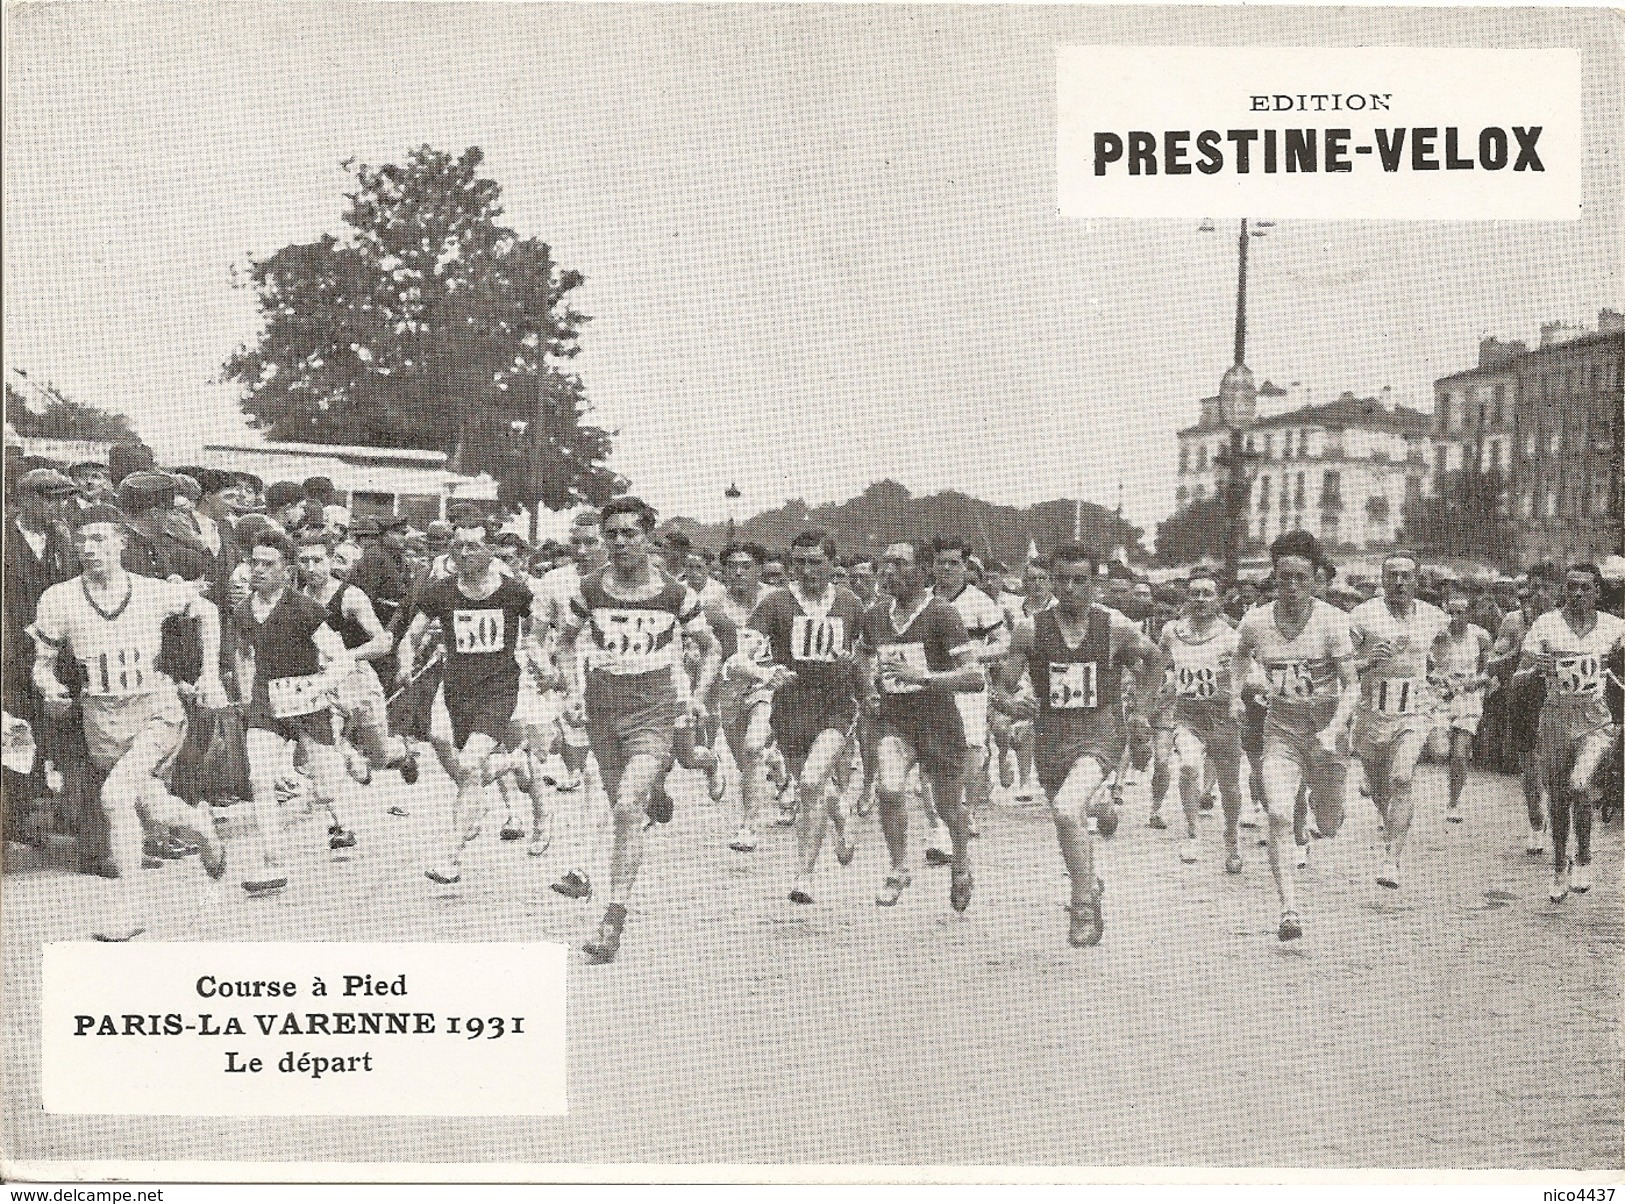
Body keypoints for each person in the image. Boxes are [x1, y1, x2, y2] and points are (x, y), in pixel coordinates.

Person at [30, 504, 229, 939]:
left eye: (99, 538)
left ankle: (130, 911)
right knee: (149, 803)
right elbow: (42, 662)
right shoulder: (58, 598)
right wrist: (49, 688)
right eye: (81, 540)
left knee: (115, 796)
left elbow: (209, 613)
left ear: (122, 542)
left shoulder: (152, 591)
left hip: (154, 707)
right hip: (100, 716)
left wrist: (209, 674)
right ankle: (200, 825)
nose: (88, 548)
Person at [557, 497, 720, 963]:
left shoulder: (674, 594)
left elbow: (710, 649)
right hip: (603, 709)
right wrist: (571, 691)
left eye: (630, 534)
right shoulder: (589, 589)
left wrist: (698, 695)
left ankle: (613, 918)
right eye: (613, 534)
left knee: (628, 807)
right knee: (622, 803)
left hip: (653, 710)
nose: (620, 542)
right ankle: (658, 795)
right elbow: (565, 643)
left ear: (649, 538)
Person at [997, 544, 1164, 947]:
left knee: (1066, 809)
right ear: (1052, 581)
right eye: (1063, 580)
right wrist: (1012, 703)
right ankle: (1092, 857)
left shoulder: (1115, 628)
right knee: (1067, 817)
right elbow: (1001, 686)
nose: (1070, 588)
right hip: (1051, 736)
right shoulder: (1031, 629)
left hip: (1100, 729)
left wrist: (1141, 711)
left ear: (1095, 584)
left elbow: (1155, 660)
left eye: (1080, 581)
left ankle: (1083, 904)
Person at [397, 514, 545, 885]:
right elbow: (410, 635)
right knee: (470, 771)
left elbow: (538, 629)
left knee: (467, 766)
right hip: (458, 692)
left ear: (490, 551)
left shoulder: (513, 591)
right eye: (457, 547)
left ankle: (452, 858)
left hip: (500, 689)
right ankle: (512, 762)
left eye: (473, 546)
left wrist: (541, 661)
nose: (464, 554)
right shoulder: (441, 592)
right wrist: (405, 661)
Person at [1229, 532, 1358, 942]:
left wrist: (1334, 730)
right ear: (1274, 578)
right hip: (1281, 728)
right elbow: (1239, 657)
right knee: (1279, 814)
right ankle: (1289, 909)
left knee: (1330, 823)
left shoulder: (1333, 621)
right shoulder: (1255, 621)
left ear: (1316, 579)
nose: (1293, 587)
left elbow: (1351, 685)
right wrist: (1236, 694)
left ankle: (1322, 806)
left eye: (1302, 578)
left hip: (1326, 731)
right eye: (1285, 578)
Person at [857, 540, 984, 912]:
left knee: (948, 807)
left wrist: (923, 676)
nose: (889, 572)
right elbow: (863, 654)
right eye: (885, 564)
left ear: (922, 570)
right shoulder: (876, 614)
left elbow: (974, 677)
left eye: (899, 564)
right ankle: (898, 869)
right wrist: (868, 688)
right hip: (894, 722)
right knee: (890, 788)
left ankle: (960, 860)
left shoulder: (942, 614)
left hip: (937, 722)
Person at [742, 530, 868, 901]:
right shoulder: (774, 604)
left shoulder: (850, 604)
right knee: (814, 787)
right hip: (791, 707)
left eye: (816, 562)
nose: (808, 571)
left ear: (831, 564)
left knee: (810, 783)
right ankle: (839, 811)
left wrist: (860, 675)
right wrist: (764, 673)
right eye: (800, 563)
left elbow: (866, 655)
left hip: (835, 704)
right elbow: (742, 657)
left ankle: (804, 876)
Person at [233, 530, 358, 895]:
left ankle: (334, 815)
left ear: (287, 571)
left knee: (326, 786)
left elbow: (339, 659)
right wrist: (245, 696)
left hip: (308, 704)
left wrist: (321, 686)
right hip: (266, 702)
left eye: (268, 564)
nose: (258, 570)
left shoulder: (306, 610)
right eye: (253, 563)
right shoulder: (242, 611)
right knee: (260, 780)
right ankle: (272, 860)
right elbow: (243, 654)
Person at [1517, 563, 1624, 902]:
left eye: (1585, 588)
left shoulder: (1614, 628)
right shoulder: (1546, 624)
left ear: (1597, 593)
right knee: (1559, 797)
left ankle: (1584, 858)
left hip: (1595, 720)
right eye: (1571, 587)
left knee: (1580, 784)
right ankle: (1559, 864)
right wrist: (1538, 668)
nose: (1577, 594)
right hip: (1555, 719)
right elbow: (1518, 676)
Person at [1347, 552, 1451, 890]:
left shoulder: (1433, 616)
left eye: (1406, 576)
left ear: (1416, 580)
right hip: (1372, 712)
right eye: (1392, 575)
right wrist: (1366, 661)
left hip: (1414, 711)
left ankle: (1392, 859)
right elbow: (1343, 666)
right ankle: (1388, 822)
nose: (1399, 582)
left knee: (1402, 778)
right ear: (1382, 578)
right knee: (1380, 789)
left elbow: (1444, 649)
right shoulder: (1362, 616)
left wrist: (1441, 675)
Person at [295, 535, 420, 788]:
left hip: (357, 681)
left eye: (317, 560)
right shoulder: (298, 599)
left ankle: (402, 752)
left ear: (331, 561)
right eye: (304, 561)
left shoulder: (350, 597)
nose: (310, 568)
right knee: (321, 747)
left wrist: (350, 655)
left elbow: (384, 642)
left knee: (379, 757)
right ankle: (349, 762)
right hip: (322, 684)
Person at [1152, 571, 1245, 871]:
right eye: (1195, 593)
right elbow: (1160, 663)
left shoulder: (1232, 636)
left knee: (1230, 787)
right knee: (1189, 766)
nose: (1201, 600)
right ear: (1187, 598)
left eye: (1207, 594)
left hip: (1222, 717)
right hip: (1187, 714)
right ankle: (1192, 834)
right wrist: (1163, 683)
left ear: (1217, 599)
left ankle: (1232, 837)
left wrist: (1237, 696)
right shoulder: (1171, 631)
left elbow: (1246, 673)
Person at [930, 539, 1010, 833]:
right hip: (931, 688)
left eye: (955, 563)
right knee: (935, 754)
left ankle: (965, 809)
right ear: (932, 565)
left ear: (965, 567)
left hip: (969, 688)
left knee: (972, 753)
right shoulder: (924, 600)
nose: (947, 568)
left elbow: (1004, 642)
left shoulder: (979, 602)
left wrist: (972, 654)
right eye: (942, 562)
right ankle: (942, 824)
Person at [1490, 571, 1558, 853]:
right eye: (1525, 596)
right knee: (1530, 766)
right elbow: (1494, 661)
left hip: (1557, 697)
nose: (1531, 600)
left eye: (1538, 593)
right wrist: (1516, 653)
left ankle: (1559, 822)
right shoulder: (1512, 621)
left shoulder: (1561, 623)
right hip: (1524, 697)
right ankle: (1535, 823)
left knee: (1555, 766)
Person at [1432, 586, 1493, 822]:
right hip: (1440, 696)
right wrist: (1436, 679)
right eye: (1452, 612)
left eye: (1461, 613)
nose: (1456, 618)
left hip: (1468, 699)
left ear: (1469, 614)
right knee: (1440, 752)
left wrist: (1476, 682)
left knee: (1459, 754)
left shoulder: (1481, 636)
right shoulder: (1436, 633)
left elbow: (1489, 671)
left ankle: (1453, 804)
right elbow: (1426, 665)